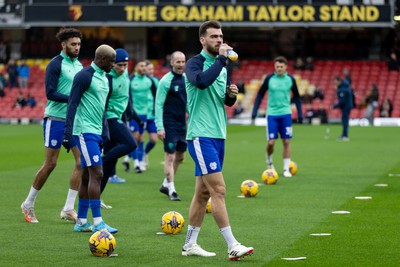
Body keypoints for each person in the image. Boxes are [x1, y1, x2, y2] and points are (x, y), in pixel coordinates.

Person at [182, 20, 253, 261]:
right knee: (219, 190)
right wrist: (222, 60)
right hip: (200, 135)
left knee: (202, 194)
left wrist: (230, 96)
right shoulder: (194, 63)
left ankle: (190, 244)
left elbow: (223, 101)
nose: (220, 40)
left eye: (221, 36)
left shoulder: (222, 67)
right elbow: (200, 82)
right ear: (202, 40)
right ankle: (232, 245)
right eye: (214, 37)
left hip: (218, 134)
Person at [21, 28, 84, 224]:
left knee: (81, 161)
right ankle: (28, 203)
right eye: (73, 44)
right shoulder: (55, 64)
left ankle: (68, 208)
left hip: (74, 120)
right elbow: (50, 93)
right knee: (51, 164)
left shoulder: (80, 65)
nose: (76, 47)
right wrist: (74, 99)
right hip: (55, 118)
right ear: (63, 44)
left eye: (79, 44)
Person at [62, 44, 118, 234]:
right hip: (84, 132)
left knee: (87, 176)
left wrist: (106, 132)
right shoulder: (84, 76)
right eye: (111, 61)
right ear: (101, 59)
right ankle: (98, 222)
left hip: (96, 132)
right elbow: (72, 105)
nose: (113, 65)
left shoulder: (105, 78)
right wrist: (67, 134)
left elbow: (102, 109)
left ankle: (82, 221)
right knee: (98, 173)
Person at [251, 56, 303, 178]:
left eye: (281, 67)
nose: (279, 69)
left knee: (286, 141)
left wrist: (300, 113)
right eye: (277, 67)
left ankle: (286, 169)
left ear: (286, 67)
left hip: (286, 113)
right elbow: (260, 94)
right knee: (271, 142)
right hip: (272, 114)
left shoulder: (291, 79)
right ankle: (269, 163)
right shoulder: (269, 78)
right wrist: (255, 110)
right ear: (275, 67)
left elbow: (296, 97)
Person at [100, 48, 139, 191]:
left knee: (108, 167)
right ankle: (102, 159)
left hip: (119, 116)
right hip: (110, 119)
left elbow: (126, 94)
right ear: (112, 64)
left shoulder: (125, 72)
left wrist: (129, 113)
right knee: (131, 144)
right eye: (119, 65)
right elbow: (102, 106)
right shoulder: (108, 79)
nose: (122, 68)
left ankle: (96, 198)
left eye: (125, 65)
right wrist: (104, 129)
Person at [155, 51, 187, 201]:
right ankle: (172, 190)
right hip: (169, 124)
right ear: (172, 63)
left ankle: (165, 184)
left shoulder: (187, 79)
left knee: (180, 157)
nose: (181, 65)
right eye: (178, 62)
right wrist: (160, 126)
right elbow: (158, 105)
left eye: (183, 62)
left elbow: (186, 102)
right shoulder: (165, 81)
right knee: (170, 156)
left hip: (182, 124)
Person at [122, 60, 155, 173]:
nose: (143, 68)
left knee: (141, 139)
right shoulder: (130, 80)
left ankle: (130, 159)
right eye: (141, 66)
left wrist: (154, 109)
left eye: (145, 66)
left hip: (145, 114)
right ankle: (137, 163)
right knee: (135, 137)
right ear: (136, 68)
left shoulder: (149, 81)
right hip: (132, 114)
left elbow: (156, 95)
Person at [332, 76, 353, 141]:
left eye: (336, 82)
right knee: (344, 121)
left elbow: (342, 101)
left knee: (345, 121)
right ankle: (344, 134)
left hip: (346, 106)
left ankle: (345, 136)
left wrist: (334, 106)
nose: (335, 84)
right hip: (346, 106)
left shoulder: (343, 89)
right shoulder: (343, 87)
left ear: (339, 81)